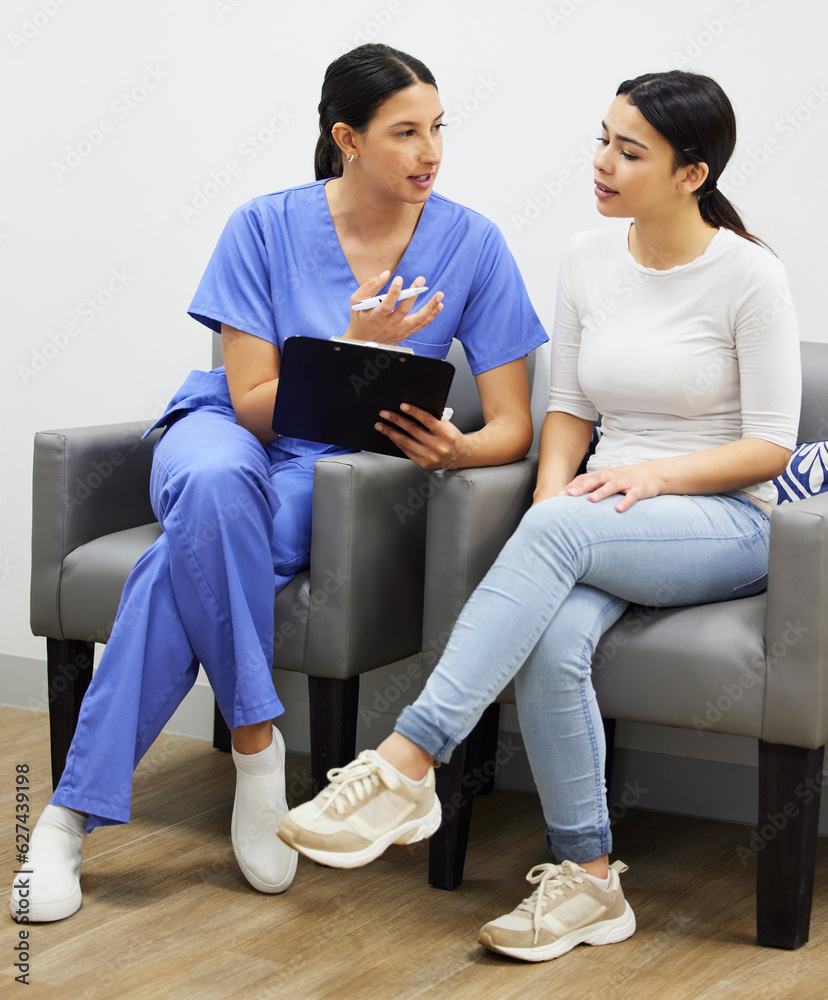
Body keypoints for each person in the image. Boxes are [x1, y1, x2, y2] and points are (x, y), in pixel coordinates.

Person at [10, 43, 547, 924]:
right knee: (216, 489)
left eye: (438, 129)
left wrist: (457, 452)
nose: (431, 152)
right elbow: (257, 401)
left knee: (184, 555)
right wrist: (357, 346)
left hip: (334, 470)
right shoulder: (261, 226)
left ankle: (67, 819)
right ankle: (259, 744)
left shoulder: (474, 243)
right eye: (406, 132)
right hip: (229, 427)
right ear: (347, 138)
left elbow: (514, 423)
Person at [278, 70, 802, 963]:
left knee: (559, 526)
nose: (602, 163)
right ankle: (590, 878)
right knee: (555, 641)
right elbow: (568, 415)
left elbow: (771, 447)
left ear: (691, 173)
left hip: (723, 519)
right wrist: (553, 490)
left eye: (629, 151)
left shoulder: (749, 276)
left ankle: (407, 762)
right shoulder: (586, 257)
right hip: (603, 514)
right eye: (602, 138)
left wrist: (654, 480)